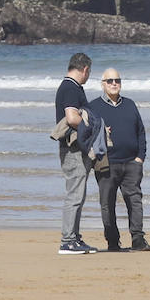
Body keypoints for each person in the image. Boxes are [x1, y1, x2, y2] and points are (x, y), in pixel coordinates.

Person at [89, 68, 150, 252]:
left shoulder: (130, 104)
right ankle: (112, 241)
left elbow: (141, 131)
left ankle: (138, 238)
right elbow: (85, 134)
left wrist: (140, 157)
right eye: (109, 81)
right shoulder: (93, 107)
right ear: (103, 84)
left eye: (117, 80)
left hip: (132, 162)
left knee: (134, 199)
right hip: (106, 163)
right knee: (107, 203)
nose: (114, 83)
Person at [56, 52, 99, 255]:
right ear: (85, 70)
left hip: (73, 149)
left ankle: (74, 238)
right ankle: (68, 241)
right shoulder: (71, 87)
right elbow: (72, 118)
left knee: (78, 194)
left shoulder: (69, 87)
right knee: (75, 195)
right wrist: (91, 129)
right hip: (73, 149)